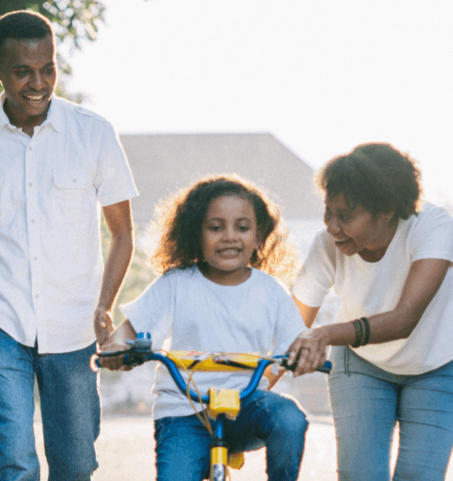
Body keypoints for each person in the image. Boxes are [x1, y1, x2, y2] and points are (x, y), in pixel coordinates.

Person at [0, 9, 137, 481]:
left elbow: (123, 233)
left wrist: (105, 305)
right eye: (22, 71)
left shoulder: (93, 132)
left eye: (48, 68)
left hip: (73, 325)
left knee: (76, 464)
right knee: (15, 460)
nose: (38, 83)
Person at [284, 143, 453, 480]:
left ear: (385, 209)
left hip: (439, 363)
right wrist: (246, 394)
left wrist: (326, 334)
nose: (332, 226)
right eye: (328, 211)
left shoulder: (431, 225)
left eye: (345, 215)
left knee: (418, 475)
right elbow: (290, 333)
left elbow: (404, 319)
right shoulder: (327, 246)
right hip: (363, 364)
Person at [98, 175, 309, 481]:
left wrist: (305, 353)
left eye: (242, 227)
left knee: (290, 419)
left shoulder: (270, 290)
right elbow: (131, 331)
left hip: (246, 406)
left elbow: (298, 341)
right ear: (195, 232)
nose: (229, 237)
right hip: (184, 410)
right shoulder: (177, 283)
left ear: (259, 234)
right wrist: (117, 348)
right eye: (215, 227)